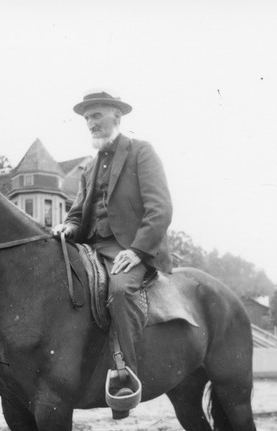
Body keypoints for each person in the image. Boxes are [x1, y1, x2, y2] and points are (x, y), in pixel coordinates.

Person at [54, 90, 173, 392]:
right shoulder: (89, 167)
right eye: (87, 118)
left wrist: (138, 251)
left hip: (128, 251)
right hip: (89, 249)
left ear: (116, 117)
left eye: (96, 116)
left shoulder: (141, 152)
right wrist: (68, 227)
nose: (90, 123)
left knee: (120, 290)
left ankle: (125, 376)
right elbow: (78, 214)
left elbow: (160, 208)